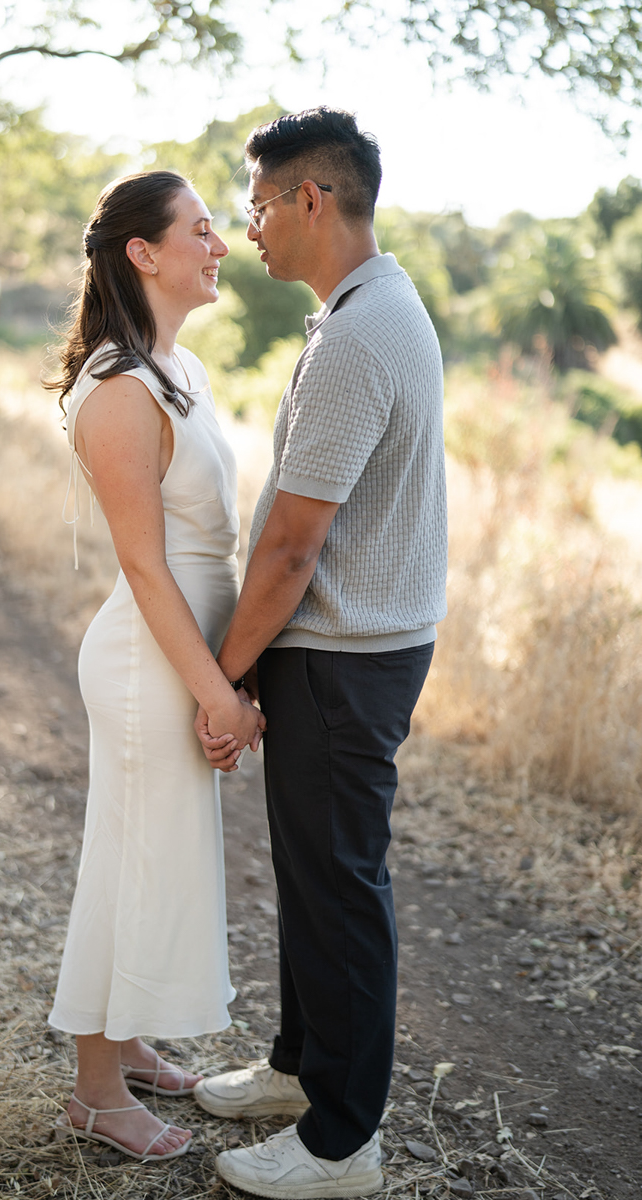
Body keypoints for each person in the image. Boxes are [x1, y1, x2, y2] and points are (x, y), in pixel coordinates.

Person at [193, 108, 448, 1198]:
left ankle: (342, 1142)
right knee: (311, 875)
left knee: (338, 888)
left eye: (254, 207)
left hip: (342, 659)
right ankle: (301, 1070)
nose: (246, 229)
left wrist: (225, 669)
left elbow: (295, 544)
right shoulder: (367, 307)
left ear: (311, 198)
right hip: (344, 652)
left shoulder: (355, 333)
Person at [44, 170, 265, 1164]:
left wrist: (226, 672)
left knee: (159, 863)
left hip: (182, 656)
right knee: (128, 866)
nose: (219, 245)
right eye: (201, 230)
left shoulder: (181, 370)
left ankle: (124, 1041)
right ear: (144, 252)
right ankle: (93, 1093)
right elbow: (143, 563)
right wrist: (215, 690)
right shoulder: (119, 388)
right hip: (146, 663)